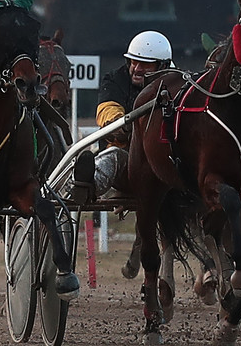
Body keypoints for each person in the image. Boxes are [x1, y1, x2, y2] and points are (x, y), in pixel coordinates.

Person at [71, 30, 179, 318]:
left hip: (165, 167)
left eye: (144, 65)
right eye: (133, 62)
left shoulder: (177, 86)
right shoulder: (114, 80)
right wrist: (122, 124)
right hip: (125, 158)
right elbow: (106, 110)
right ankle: (88, 183)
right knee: (108, 160)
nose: (136, 68)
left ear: (163, 68)